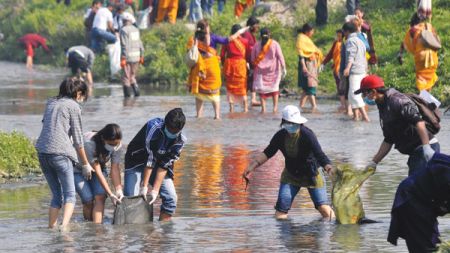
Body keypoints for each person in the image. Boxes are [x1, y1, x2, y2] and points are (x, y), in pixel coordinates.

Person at [243, 105, 335, 220]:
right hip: (290, 175)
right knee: (280, 212)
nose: (292, 126)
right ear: (284, 122)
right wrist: (252, 166)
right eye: (289, 123)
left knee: (323, 207)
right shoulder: (280, 136)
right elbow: (268, 152)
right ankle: (285, 237)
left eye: (294, 123)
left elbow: (320, 155)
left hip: (312, 174)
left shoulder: (307, 135)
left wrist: (329, 169)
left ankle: (335, 229)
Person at [35, 77, 92, 231]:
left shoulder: (51, 102)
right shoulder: (73, 106)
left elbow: (47, 126)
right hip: (60, 154)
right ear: (78, 93)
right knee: (70, 195)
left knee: (56, 195)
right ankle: (64, 229)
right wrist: (85, 164)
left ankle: (51, 227)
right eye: (83, 95)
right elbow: (79, 139)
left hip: (43, 152)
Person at [355, 75, 440, 175]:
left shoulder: (397, 101)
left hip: (425, 148)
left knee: (414, 187)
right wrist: (374, 162)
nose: (364, 98)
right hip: (415, 152)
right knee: (416, 187)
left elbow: (419, 122)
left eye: (364, 94)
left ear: (373, 92)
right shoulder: (383, 104)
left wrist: (426, 147)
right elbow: (389, 139)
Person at [123, 108, 186, 221]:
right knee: (131, 198)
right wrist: (144, 187)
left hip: (158, 167)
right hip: (136, 162)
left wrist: (155, 190)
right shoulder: (153, 127)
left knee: (171, 198)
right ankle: (132, 233)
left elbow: (164, 164)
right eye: (169, 130)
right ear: (165, 124)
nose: (171, 134)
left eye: (174, 132)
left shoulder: (180, 140)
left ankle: (164, 232)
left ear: (180, 129)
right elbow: (150, 159)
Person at [388, 152, 450, 252]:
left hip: (422, 199)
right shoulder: (446, 171)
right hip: (411, 199)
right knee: (427, 246)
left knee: (432, 243)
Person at [186, 19, 248, 119]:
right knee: (215, 94)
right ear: (207, 28)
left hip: (199, 70)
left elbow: (189, 52)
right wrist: (239, 32)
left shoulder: (194, 39)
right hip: (212, 68)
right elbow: (227, 40)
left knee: (199, 95)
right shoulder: (213, 37)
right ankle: (217, 116)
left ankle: (199, 116)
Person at [74, 124, 123, 224]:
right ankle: (89, 226)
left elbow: (115, 168)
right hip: (78, 169)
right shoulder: (89, 144)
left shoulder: (117, 145)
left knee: (100, 196)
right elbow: (98, 171)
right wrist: (110, 194)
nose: (114, 147)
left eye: (116, 144)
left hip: (99, 166)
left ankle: (97, 230)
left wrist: (118, 190)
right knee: (88, 200)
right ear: (103, 139)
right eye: (111, 144)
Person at [398, 13, 439, 92]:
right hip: (433, 56)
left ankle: (426, 99)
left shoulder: (412, 30)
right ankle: (429, 94)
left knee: (422, 80)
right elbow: (436, 40)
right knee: (429, 76)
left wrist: (400, 54)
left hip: (421, 57)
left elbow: (405, 43)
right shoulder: (428, 26)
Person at [251, 28, 286, 113]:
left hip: (260, 72)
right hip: (273, 71)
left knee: (262, 91)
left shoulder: (256, 45)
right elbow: (280, 56)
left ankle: (263, 109)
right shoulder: (275, 44)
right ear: (269, 34)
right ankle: (275, 109)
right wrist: (284, 67)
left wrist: (252, 69)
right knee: (274, 90)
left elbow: (252, 58)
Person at [342, 21, 369, 122]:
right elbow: (364, 57)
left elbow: (351, 55)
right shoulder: (360, 40)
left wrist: (347, 68)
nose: (344, 34)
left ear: (347, 31)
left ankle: (365, 117)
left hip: (355, 71)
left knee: (354, 94)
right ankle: (355, 117)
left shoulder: (351, 41)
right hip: (361, 70)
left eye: (344, 32)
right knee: (351, 95)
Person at [221, 24, 249, 113]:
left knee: (230, 88)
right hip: (241, 66)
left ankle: (231, 109)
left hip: (230, 67)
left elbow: (222, 55)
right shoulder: (245, 41)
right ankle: (245, 109)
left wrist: (224, 65)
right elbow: (247, 55)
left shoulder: (228, 41)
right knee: (242, 88)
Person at [296, 23, 323, 111]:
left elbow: (312, 50)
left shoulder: (306, 39)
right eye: (312, 31)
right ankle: (314, 107)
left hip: (311, 64)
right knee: (311, 86)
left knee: (305, 89)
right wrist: (304, 66)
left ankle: (301, 107)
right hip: (307, 65)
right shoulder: (301, 39)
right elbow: (301, 55)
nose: (313, 33)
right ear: (307, 31)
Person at [120, 12, 144, 97]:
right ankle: (137, 95)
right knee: (132, 76)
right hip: (136, 57)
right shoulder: (136, 29)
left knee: (126, 78)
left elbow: (124, 45)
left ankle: (127, 99)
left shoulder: (123, 30)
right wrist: (141, 55)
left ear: (123, 21)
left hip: (127, 57)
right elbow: (140, 43)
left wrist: (123, 57)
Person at [322, 29, 345, 111]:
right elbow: (330, 54)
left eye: (339, 35)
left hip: (344, 68)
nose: (338, 37)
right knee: (339, 86)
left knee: (345, 86)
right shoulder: (336, 43)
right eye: (337, 35)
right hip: (336, 68)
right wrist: (323, 63)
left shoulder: (346, 43)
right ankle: (343, 105)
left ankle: (347, 105)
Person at [241, 16, 260, 107]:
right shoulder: (246, 34)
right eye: (257, 26)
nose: (257, 28)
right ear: (251, 26)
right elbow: (245, 48)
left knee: (251, 80)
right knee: (248, 80)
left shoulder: (249, 34)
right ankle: (249, 100)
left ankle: (252, 99)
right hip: (247, 61)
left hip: (251, 61)